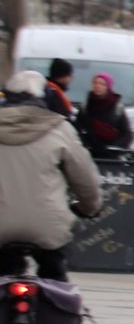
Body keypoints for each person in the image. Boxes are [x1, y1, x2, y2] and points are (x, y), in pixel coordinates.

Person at [0, 71, 102, 283]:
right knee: (54, 277)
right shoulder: (60, 128)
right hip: (48, 226)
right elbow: (85, 178)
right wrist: (89, 207)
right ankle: (58, 308)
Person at [75, 74, 133, 158]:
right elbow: (77, 129)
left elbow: (126, 134)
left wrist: (115, 147)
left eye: (102, 84)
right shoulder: (85, 107)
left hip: (111, 156)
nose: (98, 86)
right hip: (89, 154)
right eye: (95, 83)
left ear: (108, 87)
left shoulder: (117, 108)